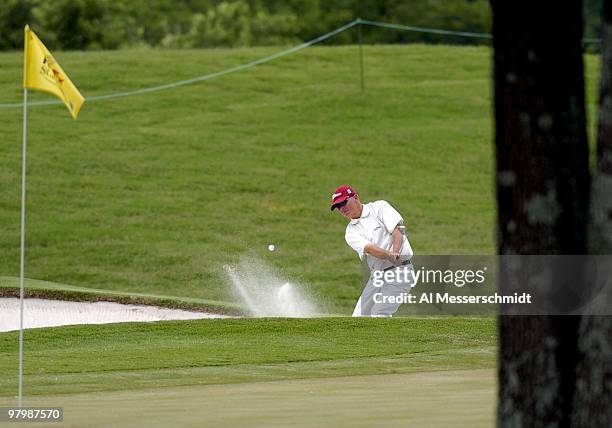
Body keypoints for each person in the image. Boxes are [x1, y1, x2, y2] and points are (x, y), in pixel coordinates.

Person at [331, 185, 414, 317]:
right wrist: (389, 255)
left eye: (344, 202)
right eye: (338, 207)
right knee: (358, 318)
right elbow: (370, 249)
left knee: (380, 313)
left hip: (400, 271)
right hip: (377, 277)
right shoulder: (350, 232)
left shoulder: (379, 207)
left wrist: (396, 253)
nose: (342, 208)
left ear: (356, 197)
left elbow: (397, 231)